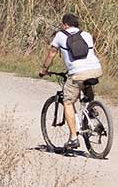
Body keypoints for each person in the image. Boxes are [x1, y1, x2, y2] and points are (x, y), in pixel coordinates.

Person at [39, 13, 102, 147]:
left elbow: (51, 54)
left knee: (68, 102)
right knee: (85, 85)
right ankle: (91, 111)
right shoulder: (86, 34)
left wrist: (44, 69)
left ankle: (73, 138)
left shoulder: (61, 35)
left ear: (65, 25)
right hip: (96, 69)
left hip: (77, 73)